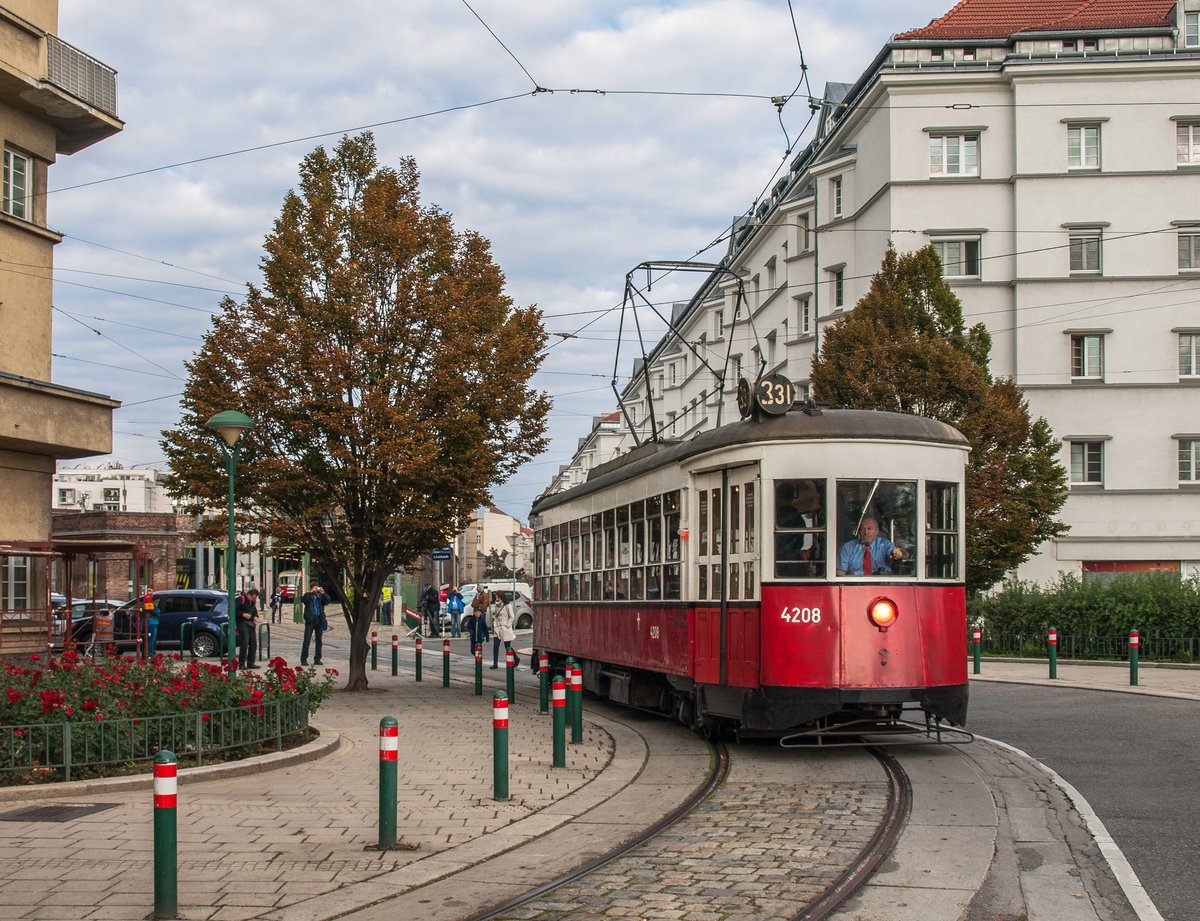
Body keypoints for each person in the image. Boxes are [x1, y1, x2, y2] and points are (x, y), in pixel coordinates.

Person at [836, 517, 903, 576]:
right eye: (863, 529)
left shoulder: (885, 545)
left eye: (869, 529)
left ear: (877, 531)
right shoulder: (847, 548)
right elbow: (840, 574)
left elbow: (894, 552)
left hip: (882, 587)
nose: (866, 532)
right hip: (856, 587)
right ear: (859, 531)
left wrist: (896, 553)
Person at [490, 591, 520, 670]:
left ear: (501, 597)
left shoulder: (507, 606)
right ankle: (495, 663)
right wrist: (495, 621)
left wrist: (507, 625)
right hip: (498, 628)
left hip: (505, 628)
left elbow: (512, 616)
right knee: (495, 646)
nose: (496, 599)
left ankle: (516, 659)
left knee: (507, 646)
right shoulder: (497, 606)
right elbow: (496, 616)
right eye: (496, 597)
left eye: (498, 597)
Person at [300, 585, 326, 666]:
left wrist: (323, 593)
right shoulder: (308, 596)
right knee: (307, 640)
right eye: (314, 588)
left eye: (316, 588)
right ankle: (303, 659)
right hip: (310, 620)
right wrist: (310, 593)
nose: (316, 590)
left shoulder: (320, 596)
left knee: (319, 641)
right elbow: (302, 600)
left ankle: (317, 659)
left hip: (319, 619)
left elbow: (328, 601)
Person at [236, 587, 260, 669]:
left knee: (253, 643)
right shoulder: (240, 599)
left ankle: (251, 662)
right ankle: (241, 664)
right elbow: (234, 610)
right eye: (253, 598)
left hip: (251, 624)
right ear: (249, 595)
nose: (253, 600)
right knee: (244, 643)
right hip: (242, 623)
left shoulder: (252, 602)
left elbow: (254, 611)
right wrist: (243, 614)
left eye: (255, 599)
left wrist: (256, 616)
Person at [468, 585, 490, 652]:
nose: (477, 588)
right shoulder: (477, 594)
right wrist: (477, 605)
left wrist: (479, 607)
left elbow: (484, 605)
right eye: (477, 587)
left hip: (482, 612)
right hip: (477, 611)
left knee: (481, 625)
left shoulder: (484, 595)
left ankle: (481, 637)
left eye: (479, 587)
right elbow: (473, 604)